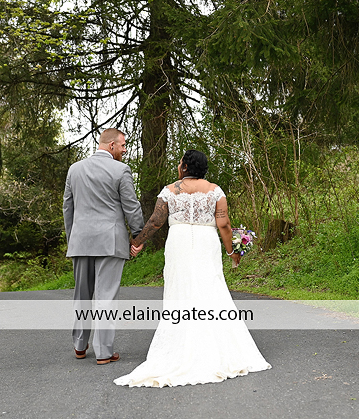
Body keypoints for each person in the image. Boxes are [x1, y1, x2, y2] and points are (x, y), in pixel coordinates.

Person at [114, 149, 271, 387]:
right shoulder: (215, 191)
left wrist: (137, 242)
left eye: (180, 163)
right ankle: (216, 345)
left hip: (178, 242)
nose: (179, 166)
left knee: (181, 290)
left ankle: (181, 342)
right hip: (206, 241)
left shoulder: (169, 190)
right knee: (210, 287)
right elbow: (224, 224)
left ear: (185, 167)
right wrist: (232, 252)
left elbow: (155, 221)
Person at [63, 128, 144, 364]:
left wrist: (73, 239)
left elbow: (68, 208)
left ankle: (80, 345)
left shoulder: (75, 169)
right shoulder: (121, 170)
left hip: (81, 241)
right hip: (110, 241)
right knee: (106, 297)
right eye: (123, 145)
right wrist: (138, 236)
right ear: (111, 145)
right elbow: (131, 206)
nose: (125, 149)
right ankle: (103, 351)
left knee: (82, 295)